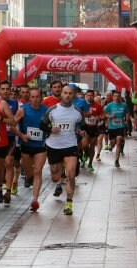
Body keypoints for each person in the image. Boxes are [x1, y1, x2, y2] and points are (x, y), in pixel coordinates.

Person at [39, 85, 85, 215]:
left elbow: (83, 125)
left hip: (70, 145)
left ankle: (69, 203)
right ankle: (59, 177)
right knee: (55, 176)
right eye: (65, 93)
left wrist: (82, 131)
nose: (67, 95)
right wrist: (50, 129)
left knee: (71, 175)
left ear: (74, 95)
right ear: (62, 94)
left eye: (70, 93)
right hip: (54, 146)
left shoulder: (77, 111)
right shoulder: (52, 110)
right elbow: (41, 125)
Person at [14, 88, 48, 212]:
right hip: (26, 146)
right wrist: (21, 135)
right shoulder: (23, 110)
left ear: (41, 97)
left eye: (37, 96)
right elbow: (11, 125)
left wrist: (51, 130)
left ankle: (35, 199)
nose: (35, 99)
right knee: (30, 174)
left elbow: (52, 124)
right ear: (29, 97)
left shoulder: (46, 110)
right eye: (32, 97)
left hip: (40, 147)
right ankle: (30, 178)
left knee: (38, 171)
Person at [104, 90, 130, 168]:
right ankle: (111, 146)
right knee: (113, 143)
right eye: (115, 96)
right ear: (113, 97)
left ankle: (117, 160)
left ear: (120, 97)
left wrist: (126, 120)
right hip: (112, 127)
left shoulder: (124, 105)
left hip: (120, 126)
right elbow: (104, 113)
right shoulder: (109, 105)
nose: (117, 97)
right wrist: (109, 116)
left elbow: (127, 112)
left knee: (119, 141)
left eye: (118, 96)